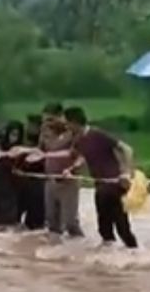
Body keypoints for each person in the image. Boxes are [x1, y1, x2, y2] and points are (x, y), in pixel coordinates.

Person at [64, 107, 138, 249]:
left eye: (67, 123)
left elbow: (127, 149)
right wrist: (71, 170)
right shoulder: (79, 140)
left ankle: (135, 254)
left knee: (122, 227)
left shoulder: (97, 135)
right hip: (100, 186)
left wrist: (126, 173)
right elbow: (83, 157)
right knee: (104, 228)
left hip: (114, 185)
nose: (66, 127)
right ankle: (109, 257)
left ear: (74, 122)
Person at [38, 103, 83, 238]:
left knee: (71, 223)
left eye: (51, 119)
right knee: (51, 220)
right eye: (46, 120)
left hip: (68, 180)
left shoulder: (73, 133)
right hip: (50, 179)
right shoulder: (45, 131)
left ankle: (80, 246)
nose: (48, 123)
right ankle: (54, 248)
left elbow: (79, 155)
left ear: (61, 117)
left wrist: (71, 169)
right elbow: (41, 151)